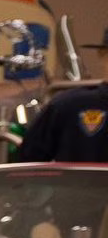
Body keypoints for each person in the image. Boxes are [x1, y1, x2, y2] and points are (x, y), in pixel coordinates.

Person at [16, 27, 108, 163]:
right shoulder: (69, 106)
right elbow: (28, 166)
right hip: (78, 184)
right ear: (102, 55)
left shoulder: (66, 103)